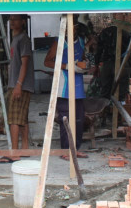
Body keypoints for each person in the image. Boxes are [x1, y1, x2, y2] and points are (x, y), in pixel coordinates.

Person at [44, 15, 88, 159]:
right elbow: (47, 62)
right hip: (64, 88)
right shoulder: (59, 42)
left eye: (74, 25)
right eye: (68, 25)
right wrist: (66, 66)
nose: (72, 29)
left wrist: (83, 66)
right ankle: (65, 151)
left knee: (79, 119)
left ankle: (75, 149)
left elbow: (81, 60)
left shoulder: (81, 41)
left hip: (78, 87)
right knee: (66, 120)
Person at [0, 15, 34, 163]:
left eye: (16, 19)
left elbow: (25, 63)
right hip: (19, 84)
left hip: (20, 85)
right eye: (10, 19)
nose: (12, 22)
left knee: (13, 119)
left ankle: (14, 152)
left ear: (23, 22)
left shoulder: (23, 39)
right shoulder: (15, 38)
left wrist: (18, 84)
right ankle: (24, 148)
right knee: (22, 118)